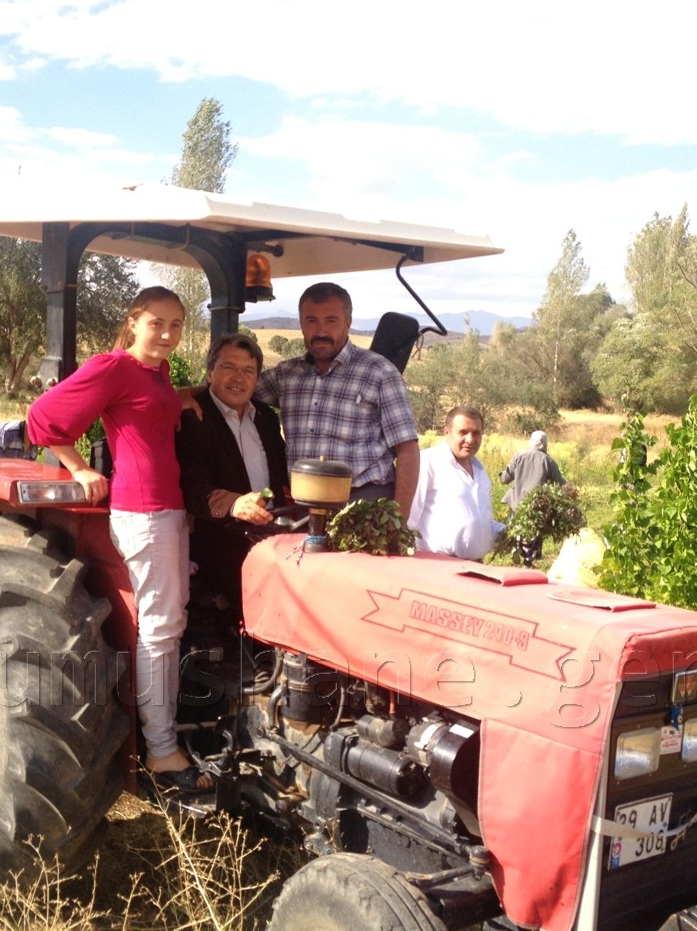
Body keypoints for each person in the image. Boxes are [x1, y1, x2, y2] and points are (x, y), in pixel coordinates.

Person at [26, 286, 209, 794]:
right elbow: (42, 418)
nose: (168, 334)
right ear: (134, 321)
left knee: (172, 624)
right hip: (143, 511)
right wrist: (80, 468)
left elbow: (150, 409)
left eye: (176, 324)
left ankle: (169, 737)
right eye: (157, 324)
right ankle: (161, 749)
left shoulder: (157, 371)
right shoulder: (112, 366)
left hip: (170, 509)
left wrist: (187, 396)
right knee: (160, 627)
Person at [251, 282, 420, 519]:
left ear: (348, 323)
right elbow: (235, 390)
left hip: (364, 506)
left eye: (331, 321)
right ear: (301, 324)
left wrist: (398, 520)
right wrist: (187, 396)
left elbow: (407, 450)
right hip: (303, 507)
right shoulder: (286, 375)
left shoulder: (379, 372)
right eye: (312, 321)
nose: (321, 331)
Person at [176, 333, 288, 608]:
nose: (239, 378)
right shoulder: (191, 419)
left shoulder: (266, 418)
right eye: (229, 368)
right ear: (210, 373)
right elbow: (190, 485)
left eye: (248, 371)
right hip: (222, 543)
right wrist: (233, 503)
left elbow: (280, 477)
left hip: (276, 536)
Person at [407, 406, 504, 561]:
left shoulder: (480, 471)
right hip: (437, 565)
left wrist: (509, 533)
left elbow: (483, 521)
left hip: (476, 567)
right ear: (446, 432)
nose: (470, 440)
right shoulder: (428, 462)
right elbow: (409, 518)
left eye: (476, 433)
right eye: (463, 432)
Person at [499, 430, 566, 564]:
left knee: (514, 527)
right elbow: (560, 485)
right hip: (537, 504)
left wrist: (501, 475)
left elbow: (505, 479)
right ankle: (528, 559)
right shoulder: (548, 461)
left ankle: (515, 546)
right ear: (545, 444)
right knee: (537, 532)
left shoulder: (519, 455)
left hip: (516, 501)